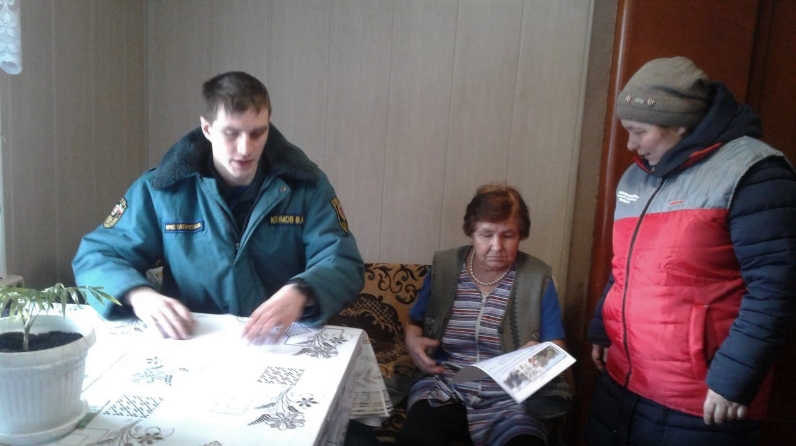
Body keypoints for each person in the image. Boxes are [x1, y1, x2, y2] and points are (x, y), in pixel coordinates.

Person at [585, 56, 796, 445]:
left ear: (680, 124)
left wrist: (734, 377)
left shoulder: (756, 174)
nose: (630, 144)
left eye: (639, 131)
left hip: (699, 399)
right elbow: (625, 266)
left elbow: (776, 290)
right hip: (623, 378)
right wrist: (603, 326)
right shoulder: (636, 177)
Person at [72, 71, 364, 343]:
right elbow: (96, 256)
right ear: (207, 128)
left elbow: (343, 262)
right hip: (191, 343)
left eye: (257, 133)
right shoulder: (160, 189)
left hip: (280, 343)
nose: (245, 148)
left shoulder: (307, 185)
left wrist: (303, 291)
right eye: (231, 133)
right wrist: (138, 295)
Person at [396, 184, 569, 446]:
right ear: (471, 233)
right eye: (486, 235)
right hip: (445, 385)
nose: (496, 246)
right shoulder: (444, 268)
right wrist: (413, 343)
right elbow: (414, 321)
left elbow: (557, 347)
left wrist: (535, 361)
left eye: (508, 235)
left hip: (510, 396)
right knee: (419, 437)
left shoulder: (537, 277)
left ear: (521, 235)